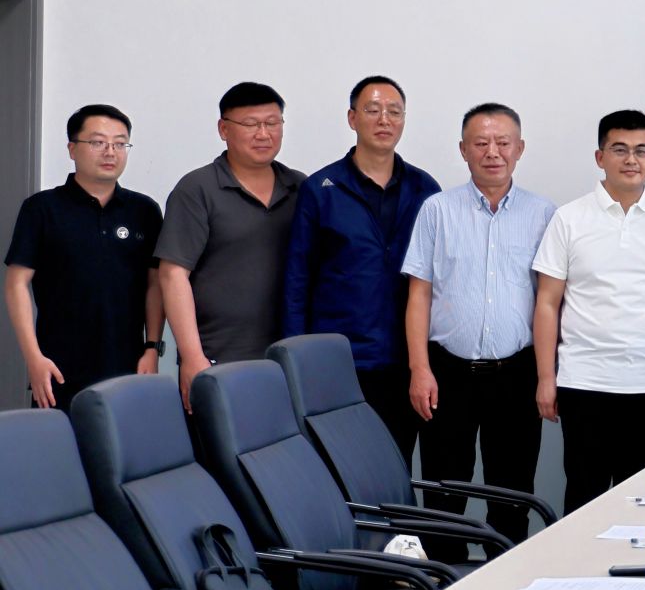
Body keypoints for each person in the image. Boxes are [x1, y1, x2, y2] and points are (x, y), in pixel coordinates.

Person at [403, 102, 555, 553]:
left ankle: (504, 582)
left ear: (519, 148)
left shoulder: (543, 214)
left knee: (512, 494)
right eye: (481, 143)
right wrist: (419, 369)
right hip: (447, 373)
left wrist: (546, 375)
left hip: (517, 373)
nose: (493, 152)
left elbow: (550, 300)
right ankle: (442, 583)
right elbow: (419, 295)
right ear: (463, 149)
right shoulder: (437, 210)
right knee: (443, 492)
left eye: (503, 142)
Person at [533, 110, 645, 513]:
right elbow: (547, 302)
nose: (631, 159)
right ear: (600, 157)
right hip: (584, 383)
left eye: (641, 151)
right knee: (584, 498)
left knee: (641, 504)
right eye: (619, 149)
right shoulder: (569, 218)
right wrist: (546, 378)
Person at [283, 76, 441, 458]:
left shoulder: (425, 190)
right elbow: (296, 280)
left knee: (396, 465)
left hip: (404, 362)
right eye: (373, 110)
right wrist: (295, 359)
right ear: (352, 118)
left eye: (394, 112)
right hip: (337, 362)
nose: (384, 119)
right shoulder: (321, 189)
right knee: (338, 467)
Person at [157, 82, 305, 411]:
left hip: (287, 359)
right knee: (220, 443)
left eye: (272, 122)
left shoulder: (300, 187)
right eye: (251, 124)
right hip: (218, 359)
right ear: (224, 129)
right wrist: (192, 357)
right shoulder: (197, 189)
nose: (263, 134)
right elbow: (172, 275)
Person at [4, 104, 163, 410]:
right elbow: (16, 284)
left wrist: (152, 347)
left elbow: (155, 283)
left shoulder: (144, 211)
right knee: (59, 440)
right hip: (59, 368)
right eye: (98, 142)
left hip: (130, 365)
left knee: (128, 439)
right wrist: (34, 357)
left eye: (120, 144)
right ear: (72, 149)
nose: (110, 152)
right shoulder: (42, 209)